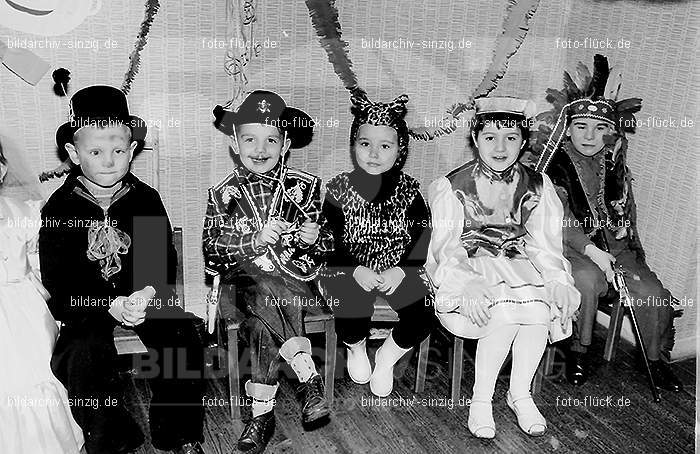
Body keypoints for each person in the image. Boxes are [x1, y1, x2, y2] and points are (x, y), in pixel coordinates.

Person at [40, 85, 205, 454]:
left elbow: (158, 260)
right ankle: (113, 436)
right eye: (96, 151)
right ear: (74, 153)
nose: (109, 161)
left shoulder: (144, 198)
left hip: (141, 298)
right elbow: (59, 279)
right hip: (87, 305)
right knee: (80, 356)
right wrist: (107, 304)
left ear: (132, 150)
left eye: (118, 150)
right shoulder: (60, 208)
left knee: (182, 339)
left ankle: (176, 431)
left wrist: (145, 294)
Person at [426, 97, 580, 439]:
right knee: (505, 317)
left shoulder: (537, 185)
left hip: (517, 262)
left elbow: (545, 243)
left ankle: (519, 393)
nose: (500, 146)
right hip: (470, 265)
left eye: (510, 137)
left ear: (523, 142)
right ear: (475, 138)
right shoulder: (453, 186)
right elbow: (445, 247)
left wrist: (557, 280)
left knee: (540, 314)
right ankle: (481, 399)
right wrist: (465, 284)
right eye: (490, 136)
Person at [535, 54, 682, 391]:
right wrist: (594, 253)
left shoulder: (615, 162)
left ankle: (655, 361)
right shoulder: (553, 165)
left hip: (616, 247)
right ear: (568, 128)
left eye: (600, 128)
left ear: (611, 132)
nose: (590, 135)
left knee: (652, 292)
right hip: (572, 248)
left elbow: (625, 212)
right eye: (581, 127)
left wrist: (624, 251)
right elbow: (559, 220)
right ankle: (578, 351)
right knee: (586, 282)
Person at [204, 90, 331, 453]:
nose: (260, 149)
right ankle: (308, 376)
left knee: (273, 301)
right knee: (262, 296)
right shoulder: (222, 194)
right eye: (250, 139)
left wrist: (312, 238)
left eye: (271, 139)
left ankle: (261, 416)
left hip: (293, 284)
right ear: (234, 143)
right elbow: (212, 253)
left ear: (286, 143)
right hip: (239, 287)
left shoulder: (304, 187)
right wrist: (253, 242)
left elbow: (325, 249)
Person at [319, 91, 433, 397]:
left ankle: (386, 357)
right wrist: (354, 269)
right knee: (350, 301)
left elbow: (421, 232)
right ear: (354, 144)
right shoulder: (338, 190)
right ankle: (355, 346)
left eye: (385, 146)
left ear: (400, 150)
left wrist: (403, 269)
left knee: (423, 310)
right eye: (365, 144)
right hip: (348, 268)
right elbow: (328, 238)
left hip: (397, 267)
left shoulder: (409, 192)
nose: (374, 153)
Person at [0, 130, 85, 453]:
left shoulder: (25, 214)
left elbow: (43, 265)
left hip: (22, 304)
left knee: (34, 371)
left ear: (2, 170)